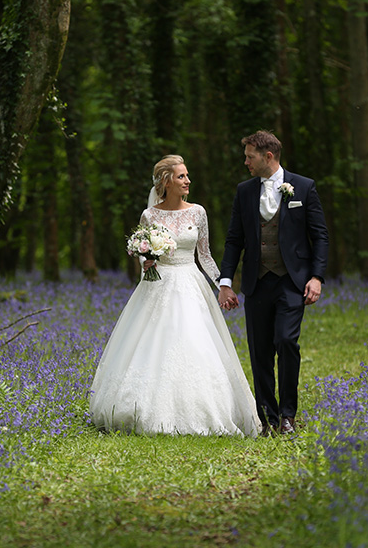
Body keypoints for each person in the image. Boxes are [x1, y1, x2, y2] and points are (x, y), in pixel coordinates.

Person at [90, 155, 261, 437]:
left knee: (195, 341)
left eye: (187, 176)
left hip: (191, 283)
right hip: (158, 286)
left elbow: (204, 255)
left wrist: (222, 284)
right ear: (166, 181)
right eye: (181, 176)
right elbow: (146, 253)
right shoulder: (150, 215)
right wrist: (147, 262)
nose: (187, 181)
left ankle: (203, 408)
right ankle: (141, 408)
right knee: (154, 342)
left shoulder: (198, 212)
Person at [218, 131, 329, 436]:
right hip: (256, 282)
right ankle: (267, 418)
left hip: (291, 281)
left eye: (249, 156)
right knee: (260, 350)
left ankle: (288, 415)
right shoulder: (244, 191)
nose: (245, 162)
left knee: (286, 341)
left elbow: (319, 235)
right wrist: (226, 282)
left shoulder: (304, 187)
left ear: (268, 157)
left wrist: (316, 277)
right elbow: (234, 240)